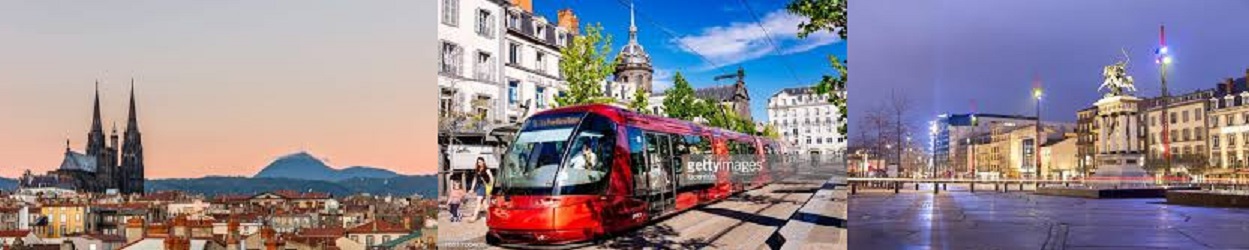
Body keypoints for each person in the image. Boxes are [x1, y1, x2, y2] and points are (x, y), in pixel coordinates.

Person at [468, 157, 494, 222]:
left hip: (483, 187)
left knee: (478, 203)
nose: (479, 163)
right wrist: (472, 188)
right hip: (478, 187)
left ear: (483, 162)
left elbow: (491, 178)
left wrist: (491, 186)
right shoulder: (477, 170)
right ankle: (492, 216)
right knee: (485, 205)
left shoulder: (487, 169)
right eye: (478, 162)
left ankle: (474, 217)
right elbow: (475, 179)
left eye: (480, 162)